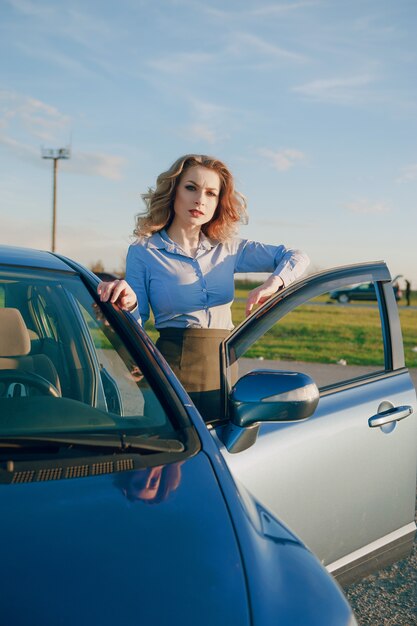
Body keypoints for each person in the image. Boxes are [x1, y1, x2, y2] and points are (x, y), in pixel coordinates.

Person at [98, 154, 309, 421]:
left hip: (225, 368)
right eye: (191, 188)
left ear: (218, 202)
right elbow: (138, 322)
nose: (200, 200)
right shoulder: (144, 251)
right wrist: (129, 302)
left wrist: (273, 283)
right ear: (174, 192)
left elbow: (297, 256)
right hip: (172, 369)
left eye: (211, 193)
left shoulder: (230, 248)